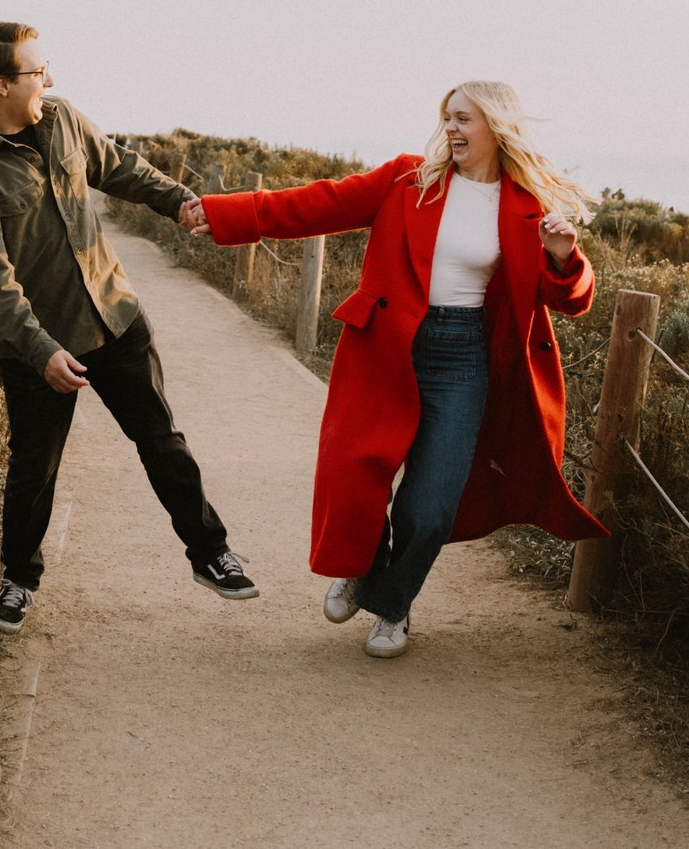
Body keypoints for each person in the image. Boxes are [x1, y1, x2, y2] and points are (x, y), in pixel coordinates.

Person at [191, 80, 603, 658]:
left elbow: (573, 299)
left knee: (430, 505)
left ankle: (392, 604)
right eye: (448, 118)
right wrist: (228, 215)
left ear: (496, 126)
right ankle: (360, 568)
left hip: (463, 359)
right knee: (356, 477)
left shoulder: (526, 208)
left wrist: (565, 258)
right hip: (386, 347)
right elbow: (320, 203)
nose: (451, 129)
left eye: (464, 119)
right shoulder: (409, 179)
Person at [0, 21, 258, 633]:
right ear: (3, 84)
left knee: (162, 440)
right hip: (41, 348)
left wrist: (181, 201)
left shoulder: (61, 119)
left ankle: (209, 553)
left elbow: (120, 167)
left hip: (115, 315)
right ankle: (18, 580)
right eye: (38, 71)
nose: (50, 79)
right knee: (35, 465)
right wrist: (40, 351)